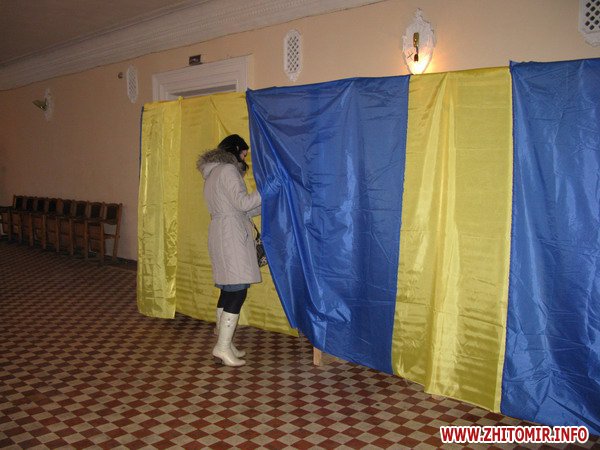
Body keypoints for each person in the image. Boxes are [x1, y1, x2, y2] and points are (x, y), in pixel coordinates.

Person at [197, 134, 261, 367]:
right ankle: (222, 347)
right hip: (231, 235)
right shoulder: (228, 170)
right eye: (244, 153)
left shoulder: (213, 172)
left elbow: (238, 208)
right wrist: (267, 189)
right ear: (235, 149)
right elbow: (242, 203)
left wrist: (263, 203)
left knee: (227, 289)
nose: (245, 158)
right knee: (237, 291)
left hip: (222, 231)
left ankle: (226, 342)